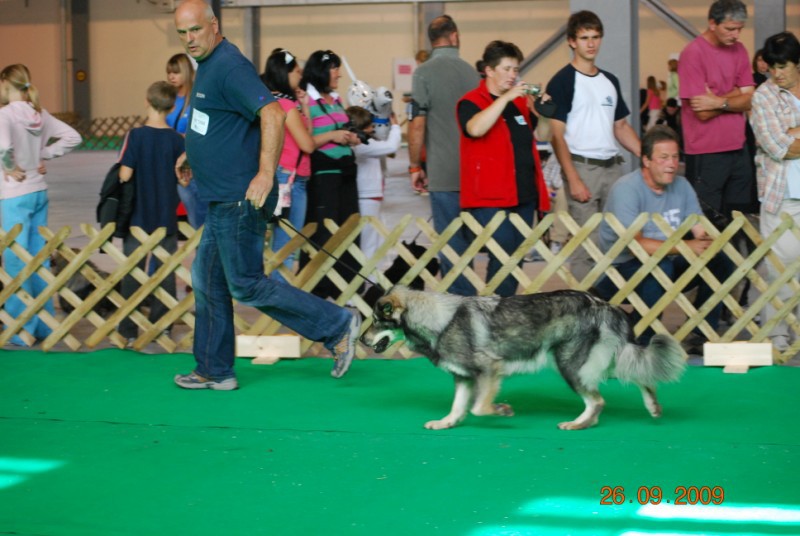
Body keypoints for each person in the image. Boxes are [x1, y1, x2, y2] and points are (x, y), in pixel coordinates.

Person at [172, 0, 361, 390]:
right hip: (221, 196)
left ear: (214, 24)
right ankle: (214, 369)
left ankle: (338, 324)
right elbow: (219, 123)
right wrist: (192, 152)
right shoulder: (208, 65)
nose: (189, 39)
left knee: (245, 283)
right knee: (207, 280)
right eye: (182, 33)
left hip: (241, 197)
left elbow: (272, 114)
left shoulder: (228, 65)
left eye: (195, 30)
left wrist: (264, 173)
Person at [593, 125, 733, 345]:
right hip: (620, 269)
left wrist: (707, 241)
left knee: (721, 261)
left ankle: (702, 332)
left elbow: (699, 228)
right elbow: (635, 245)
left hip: (666, 260)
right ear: (646, 160)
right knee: (659, 267)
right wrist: (688, 247)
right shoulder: (627, 189)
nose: (672, 164)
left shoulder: (682, 185)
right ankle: (645, 338)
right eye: (664, 158)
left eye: (676, 157)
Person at [545, 10, 641, 282]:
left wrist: (647, 156)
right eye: (584, 37)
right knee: (585, 241)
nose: (591, 43)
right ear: (571, 41)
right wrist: (573, 178)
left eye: (596, 37)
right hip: (581, 166)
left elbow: (621, 127)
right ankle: (584, 308)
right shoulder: (562, 81)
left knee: (617, 237)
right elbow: (557, 135)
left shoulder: (610, 81)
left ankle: (609, 304)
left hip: (612, 167)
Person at [456, 40, 550, 297]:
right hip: (491, 199)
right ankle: (492, 316)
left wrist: (543, 112)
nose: (513, 75)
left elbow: (542, 135)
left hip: (523, 195)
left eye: (515, 69)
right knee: (502, 257)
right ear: (489, 70)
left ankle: (501, 314)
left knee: (515, 261)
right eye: (507, 69)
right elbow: (475, 129)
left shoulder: (519, 104)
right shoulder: (471, 102)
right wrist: (508, 96)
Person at [0, 63, 81, 346]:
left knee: (15, 261)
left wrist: (9, 167)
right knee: (39, 259)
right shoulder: (39, 114)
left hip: (13, 194)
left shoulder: (5, 115)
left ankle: (21, 329)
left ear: (5, 84)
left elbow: (3, 148)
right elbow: (74, 137)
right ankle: (45, 324)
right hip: (39, 192)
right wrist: (44, 154)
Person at [408, 14, 480, 296]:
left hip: (442, 173)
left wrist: (415, 165)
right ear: (455, 37)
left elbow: (417, 124)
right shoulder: (472, 73)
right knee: (472, 241)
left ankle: (460, 305)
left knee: (450, 244)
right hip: (473, 175)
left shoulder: (423, 73)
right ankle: (474, 300)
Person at [117, 81, 185, 344]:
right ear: (171, 107)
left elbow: (125, 174)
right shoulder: (177, 141)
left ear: (147, 102)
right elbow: (184, 179)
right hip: (165, 217)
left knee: (132, 272)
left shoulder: (135, 136)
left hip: (137, 217)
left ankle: (128, 330)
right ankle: (163, 326)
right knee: (165, 272)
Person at [678, 0, 755, 221]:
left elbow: (751, 99)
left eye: (739, 29)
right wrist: (735, 93)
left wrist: (717, 101)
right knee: (707, 221)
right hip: (706, 152)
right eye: (730, 29)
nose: (736, 35)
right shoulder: (693, 53)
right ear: (712, 23)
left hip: (739, 149)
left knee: (739, 219)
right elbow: (701, 111)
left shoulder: (739, 50)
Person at [749, 31, 800, 352]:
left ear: (797, 64)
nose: (776, 73)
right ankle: (778, 340)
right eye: (773, 67)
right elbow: (778, 146)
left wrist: (794, 133)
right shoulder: (763, 96)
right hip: (780, 196)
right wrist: (789, 137)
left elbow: (790, 140)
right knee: (780, 271)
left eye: (783, 66)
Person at [300, 49, 362, 300]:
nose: (338, 73)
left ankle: (345, 290)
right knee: (323, 234)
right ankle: (318, 291)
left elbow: (343, 128)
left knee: (348, 232)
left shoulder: (336, 99)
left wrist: (351, 137)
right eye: (334, 68)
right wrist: (333, 136)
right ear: (321, 71)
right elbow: (306, 140)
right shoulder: (308, 102)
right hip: (323, 176)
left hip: (345, 175)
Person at [261, 48, 315, 285]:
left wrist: (306, 107)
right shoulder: (286, 106)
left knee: (275, 243)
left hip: (279, 175)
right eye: (296, 72)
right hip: (290, 180)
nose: (300, 76)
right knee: (287, 246)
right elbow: (309, 144)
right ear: (285, 74)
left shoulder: (268, 102)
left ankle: (275, 295)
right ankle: (279, 299)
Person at [346, 105, 401, 268]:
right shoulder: (362, 146)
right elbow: (391, 146)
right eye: (369, 125)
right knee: (368, 243)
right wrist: (396, 126)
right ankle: (368, 280)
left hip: (370, 197)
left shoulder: (364, 144)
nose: (372, 129)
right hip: (366, 198)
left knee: (372, 241)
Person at [165, 52, 206, 230]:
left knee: (196, 213)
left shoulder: (197, 99)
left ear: (187, 72)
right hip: (168, 161)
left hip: (190, 163)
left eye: (176, 72)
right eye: (169, 72)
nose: (171, 76)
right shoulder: (167, 99)